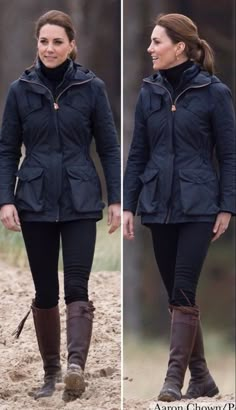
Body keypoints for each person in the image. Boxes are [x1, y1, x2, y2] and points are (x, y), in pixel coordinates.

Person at [0, 10, 120, 401]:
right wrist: (5, 199)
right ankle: (51, 373)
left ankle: (75, 368)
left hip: (81, 199)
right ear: (37, 44)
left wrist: (117, 198)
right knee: (45, 289)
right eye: (43, 41)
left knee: (76, 286)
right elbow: (5, 149)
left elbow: (108, 146)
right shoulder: (20, 90)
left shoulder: (92, 87)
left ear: (72, 45)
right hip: (33, 201)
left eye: (57, 42)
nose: (49, 48)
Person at [123, 13, 235, 402]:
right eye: (151, 41)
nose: (149, 48)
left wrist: (227, 206)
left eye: (157, 42)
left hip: (200, 206)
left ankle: (172, 378)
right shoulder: (149, 92)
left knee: (183, 289)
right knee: (177, 293)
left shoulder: (214, 93)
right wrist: (128, 205)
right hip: (158, 205)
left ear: (180, 47)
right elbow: (138, 154)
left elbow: (230, 154)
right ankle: (202, 377)